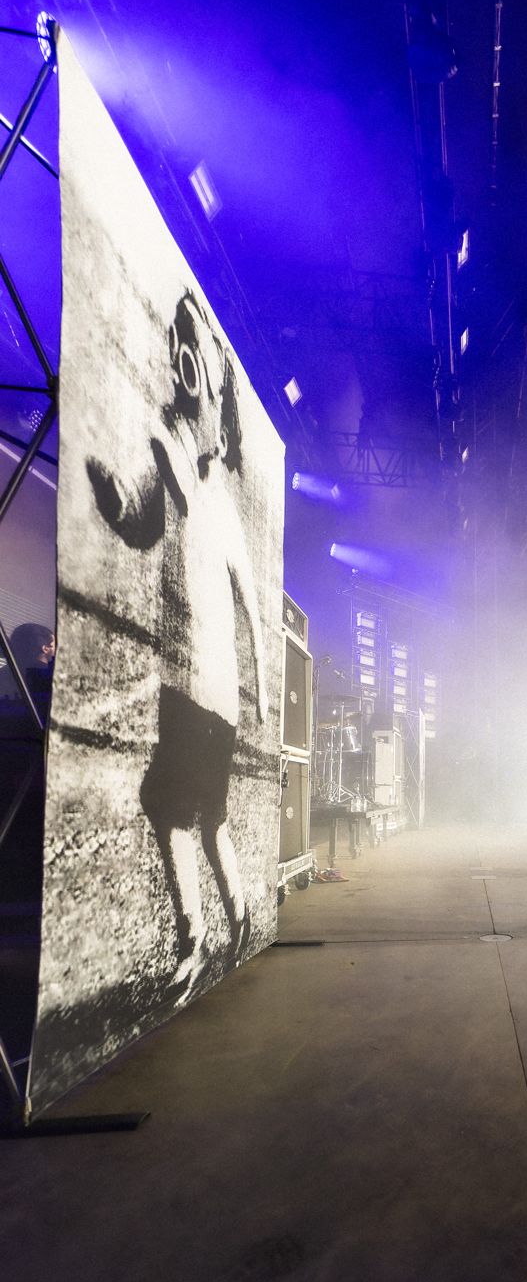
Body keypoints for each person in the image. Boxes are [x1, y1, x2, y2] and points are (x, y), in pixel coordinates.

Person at [88, 290, 268, 1001]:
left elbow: (250, 605)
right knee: (206, 815)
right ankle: (241, 914)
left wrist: (161, 443)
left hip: (199, 690)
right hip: (200, 691)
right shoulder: (197, 493)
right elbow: (145, 528)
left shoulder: (208, 497)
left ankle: (194, 937)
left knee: (169, 809)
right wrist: (114, 501)